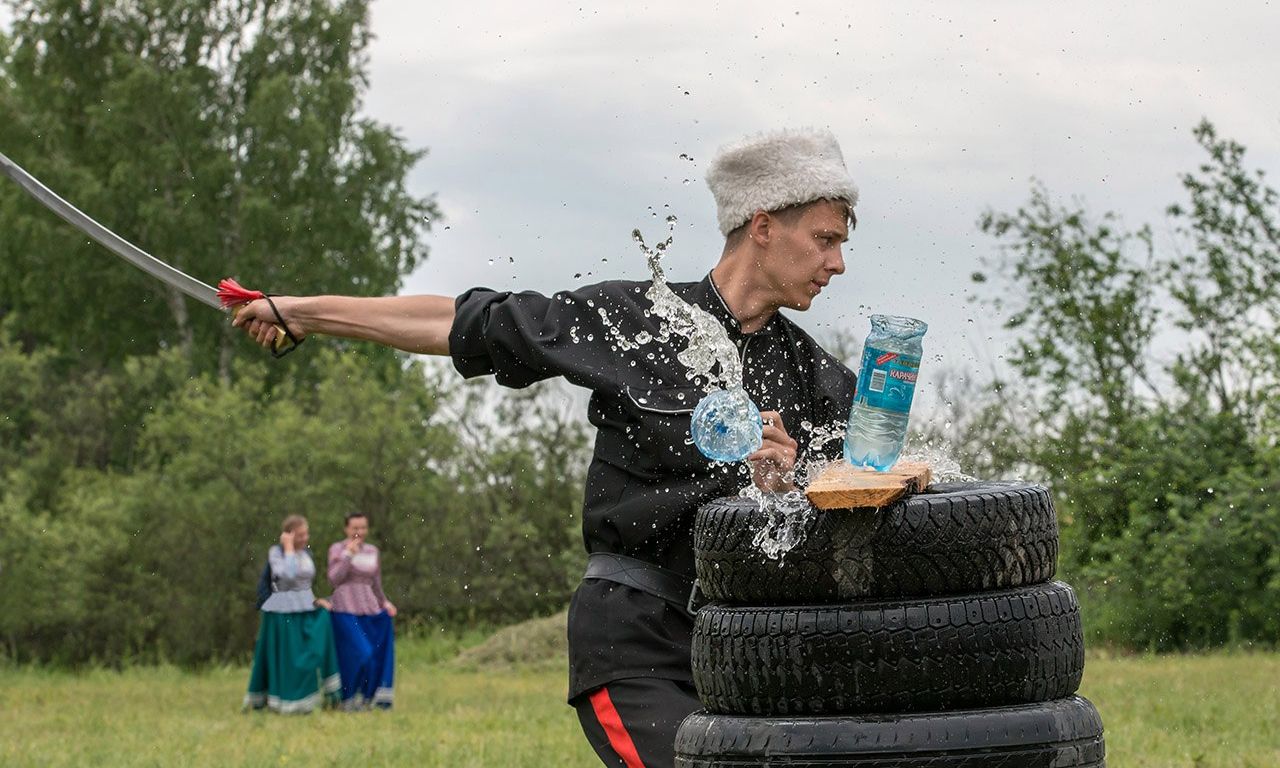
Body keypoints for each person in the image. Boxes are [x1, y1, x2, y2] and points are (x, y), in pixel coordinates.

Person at [233, 128, 859, 765]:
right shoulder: (635, 319)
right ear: (761, 227)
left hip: (748, 652)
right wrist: (302, 312)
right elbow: (461, 323)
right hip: (634, 642)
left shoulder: (823, 382)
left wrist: (794, 491)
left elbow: (859, 531)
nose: (837, 263)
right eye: (824, 239)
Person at [244, 514, 341, 714]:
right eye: (300, 534)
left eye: (307, 534)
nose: (305, 538)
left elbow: (305, 584)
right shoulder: (276, 553)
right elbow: (286, 576)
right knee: (290, 659)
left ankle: (313, 698)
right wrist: (288, 548)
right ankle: (286, 702)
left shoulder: (307, 554)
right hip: (282, 611)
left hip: (305, 608)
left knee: (313, 650)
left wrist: (317, 600)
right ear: (288, 535)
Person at [327, 512, 397, 710]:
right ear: (346, 529)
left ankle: (366, 699)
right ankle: (347, 698)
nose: (359, 532)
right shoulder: (337, 549)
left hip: (370, 608)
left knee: (374, 657)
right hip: (345, 609)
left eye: (363, 528)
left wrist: (385, 603)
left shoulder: (372, 551)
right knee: (360, 653)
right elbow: (334, 579)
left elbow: (376, 582)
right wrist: (348, 555)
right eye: (355, 528)